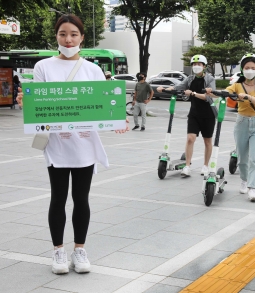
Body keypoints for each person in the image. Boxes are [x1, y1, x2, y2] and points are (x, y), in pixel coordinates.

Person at [17, 14, 128, 275]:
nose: (68, 39)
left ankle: (79, 249)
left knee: (81, 198)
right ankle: (58, 251)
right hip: (56, 144)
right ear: (56, 36)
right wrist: (27, 104)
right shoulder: (44, 67)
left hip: (85, 144)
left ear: (82, 38)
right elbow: (39, 108)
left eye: (73, 34)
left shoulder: (93, 70)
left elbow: (105, 105)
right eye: (63, 34)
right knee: (58, 198)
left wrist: (118, 117)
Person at [157, 54, 215, 177]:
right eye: (194, 64)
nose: (196, 66)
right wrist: (164, 89)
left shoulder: (210, 79)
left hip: (208, 114)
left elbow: (208, 96)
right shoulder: (190, 79)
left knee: (207, 141)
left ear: (204, 66)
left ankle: (205, 165)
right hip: (194, 113)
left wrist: (193, 93)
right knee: (190, 139)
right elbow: (178, 87)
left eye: (199, 64)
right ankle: (187, 166)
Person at [225, 53, 255, 202]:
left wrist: (248, 97)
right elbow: (227, 92)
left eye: (253, 68)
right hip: (241, 123)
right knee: (242, 159)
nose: (250, 70)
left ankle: (253, 188)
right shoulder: (237, 85)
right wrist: (217, 93)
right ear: (242, 69)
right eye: (247, 67)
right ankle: (244, 180)